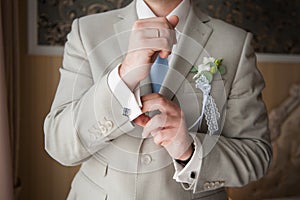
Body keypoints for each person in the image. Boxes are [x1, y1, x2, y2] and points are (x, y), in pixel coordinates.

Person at [44, 0, 272, 199]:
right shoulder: (86, 32)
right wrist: (123, 77)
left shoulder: (235, 43)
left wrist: (190, 150)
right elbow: (59, 146)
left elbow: (256, 155)